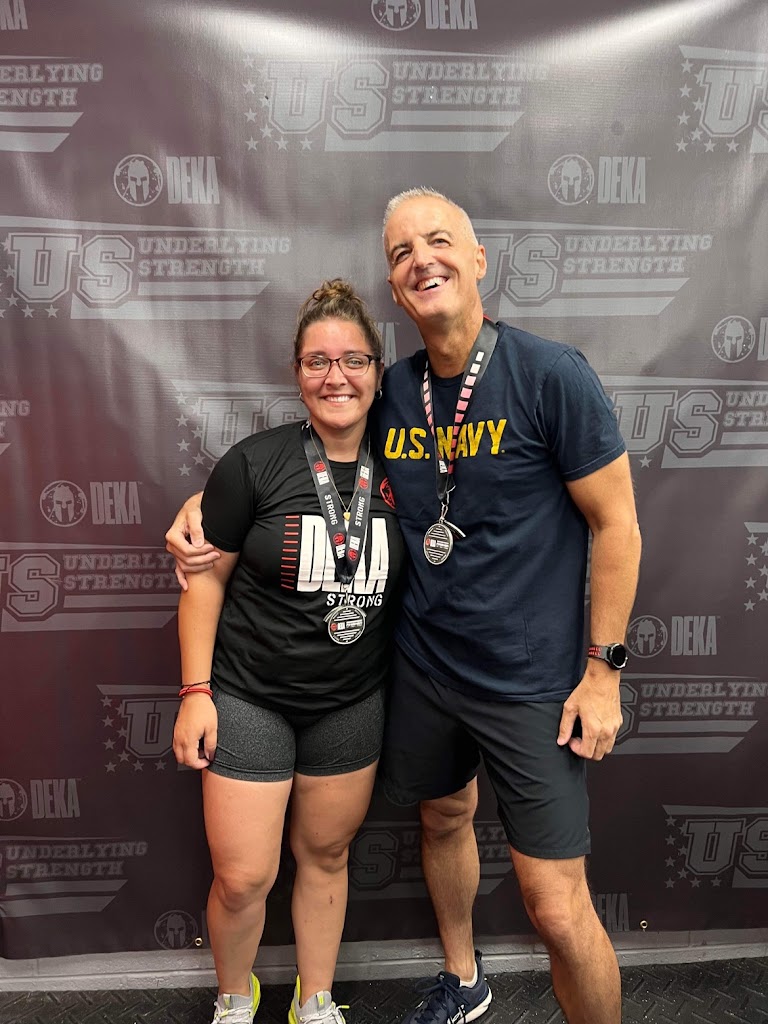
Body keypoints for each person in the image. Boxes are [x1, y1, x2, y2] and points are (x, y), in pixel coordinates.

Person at [167, 190, 641, 1024]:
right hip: (423, 673)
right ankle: (464, 978)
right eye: (401, 252)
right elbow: (311, 457)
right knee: (444, 818)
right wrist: (202, 511)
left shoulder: (550, 375)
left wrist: (604, 672)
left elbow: (618, 525)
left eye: (440, 240)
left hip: (528, 679)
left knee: (557, 906)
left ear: (479, 258)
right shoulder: (394, 393)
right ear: (394, 286)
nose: (423, 259)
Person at [172, 279, 405, 1024]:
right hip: (251, 698)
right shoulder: (255, 463)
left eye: (354, 360)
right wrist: (195, 693)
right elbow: (204, 583)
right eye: (318, 361)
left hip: (350, 702)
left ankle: (317, 1000)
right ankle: (234, 998)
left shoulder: (409, 471)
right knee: (243, 877)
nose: (337, 377)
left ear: (378, 371)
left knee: (327, 858)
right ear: (297, 372)